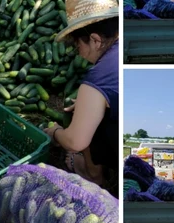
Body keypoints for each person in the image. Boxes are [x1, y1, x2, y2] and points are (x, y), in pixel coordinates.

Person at [43, 0, 119, 196]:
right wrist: (90, 106)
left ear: (95, 40)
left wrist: (55, 132)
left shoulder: (99, 75)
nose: (78, 51)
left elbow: (75, 142)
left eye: (77, 44)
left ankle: (93, 175)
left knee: (82, 125)